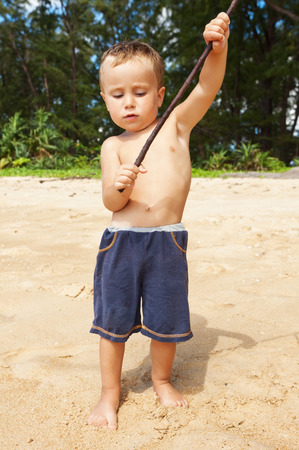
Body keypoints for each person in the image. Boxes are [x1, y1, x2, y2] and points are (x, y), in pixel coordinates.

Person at [88, 12, 230, 430]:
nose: (128, 102)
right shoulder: (112, 145)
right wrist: (120, 185)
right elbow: (109, 202)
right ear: (105, 98)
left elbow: (207, 85)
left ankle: (162, 379)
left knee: (165, 321)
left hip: (167, 243)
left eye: (139, 91)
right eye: (117, 94)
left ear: (160, 94)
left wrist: (217, 48)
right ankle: (109, 393)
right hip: (122, 243)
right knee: (113, 322)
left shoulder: (176, 127)